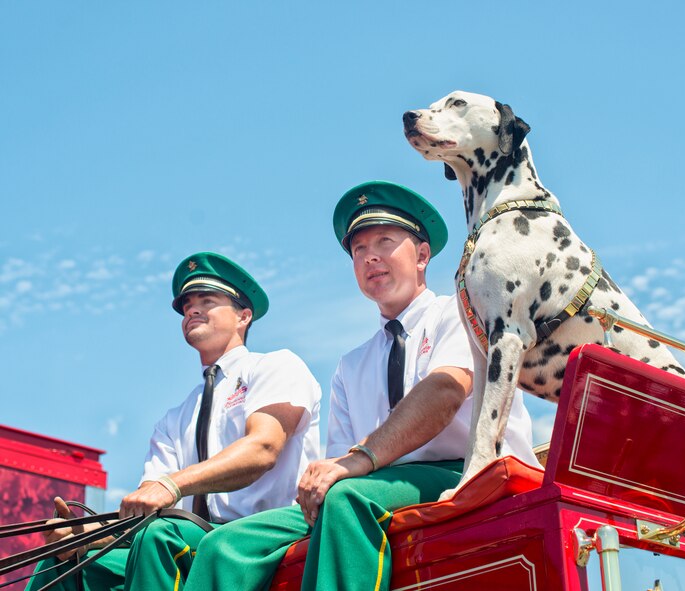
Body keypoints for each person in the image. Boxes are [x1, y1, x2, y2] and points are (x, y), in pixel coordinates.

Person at [185, 181, 539, 590]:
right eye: (358, 250)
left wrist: (362, 458)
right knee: (225, 545)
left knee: (347, 498)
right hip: (377, 483)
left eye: (385, 241)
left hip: (468, 470)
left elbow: (444, 394)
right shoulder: (351, 365)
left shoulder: (459, 312)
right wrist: (336, 474)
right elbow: (341, 462)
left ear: (422, 255)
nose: (370, 257)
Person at [28, 252, 321, 591]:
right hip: (193, 536)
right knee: (62, 559)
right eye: (187, 306)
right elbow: (146, 506)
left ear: (244, 316)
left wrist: (172, 485)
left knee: (160, 536)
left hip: (268, 529)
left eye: (207, 301)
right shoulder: (174, 418)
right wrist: (85, 535)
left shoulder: (275, 366)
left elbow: (263, 448)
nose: (192, 310)